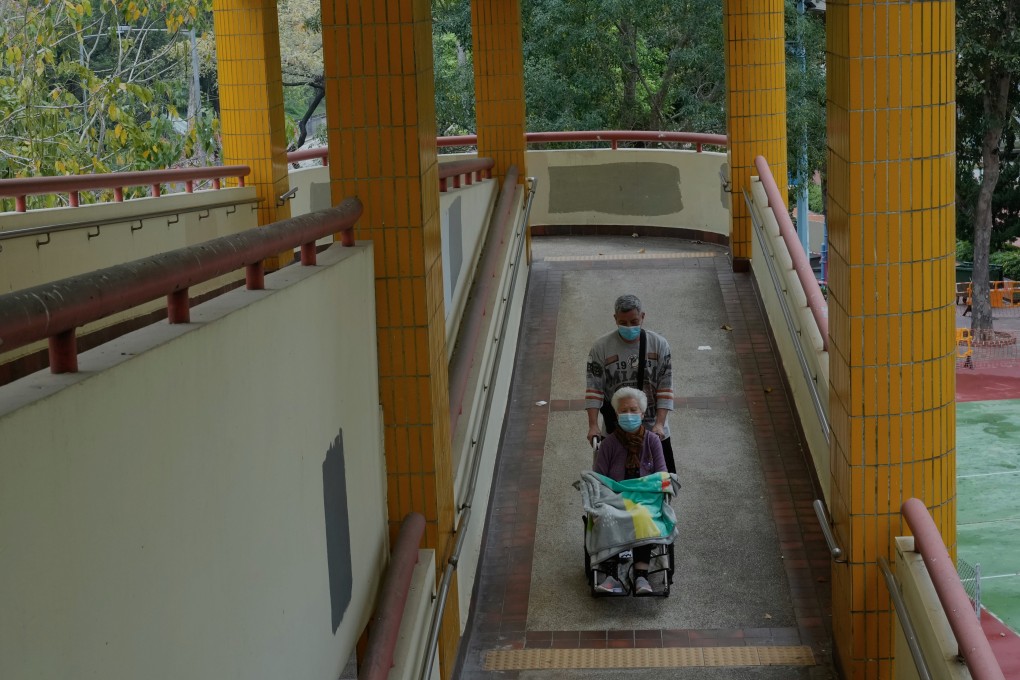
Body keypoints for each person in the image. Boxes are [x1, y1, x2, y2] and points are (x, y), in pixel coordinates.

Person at [585, 294, 676, 473]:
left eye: (634, 321)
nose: (629, 327)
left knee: (663, 479)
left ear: (643, 317)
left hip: (652, 427)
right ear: (615, 319)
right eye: (623, 322)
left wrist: (660, 423)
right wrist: (593, 425)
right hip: (615, 427)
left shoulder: (659, 345)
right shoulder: (601, 348)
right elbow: (594, 388)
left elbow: (665, 387)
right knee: (608, 477)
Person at [592, 386, 667, 594]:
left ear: (642, 414)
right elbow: (599, 479)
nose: (629, 414)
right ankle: (611, 576)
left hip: (645, 498)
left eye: (634, 410)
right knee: (607, 515)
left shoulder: (652, 441)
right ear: (616, 414)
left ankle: (641, 576)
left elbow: (661, 474)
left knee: (642, 514)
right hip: (616, 499)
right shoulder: (608, 445)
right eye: (624, 410)